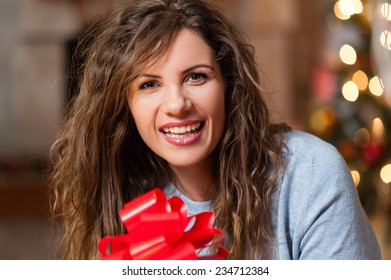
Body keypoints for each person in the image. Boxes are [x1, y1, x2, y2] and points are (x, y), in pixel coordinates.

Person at [48, 0, 381, 260]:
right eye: (149, 84)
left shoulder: (310, 174)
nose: (177, 104)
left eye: (196, 76)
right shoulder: (123, 192)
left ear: (228, 85)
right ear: (126, 105)